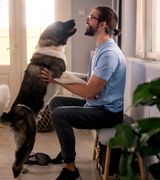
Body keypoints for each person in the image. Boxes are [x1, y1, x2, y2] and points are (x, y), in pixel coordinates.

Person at [41, 6, 126, 180]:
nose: (86, 20)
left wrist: (56, 79)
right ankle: (66, 152)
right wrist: (60, 74)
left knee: (59, 115)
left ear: (102, 24)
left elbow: (89, 91)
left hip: (107, 112)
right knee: (55, 102)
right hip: (97, 105)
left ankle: (70, 169)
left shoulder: (108, 53)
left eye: (91, 17)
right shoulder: (101, 48)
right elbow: (89, 79)